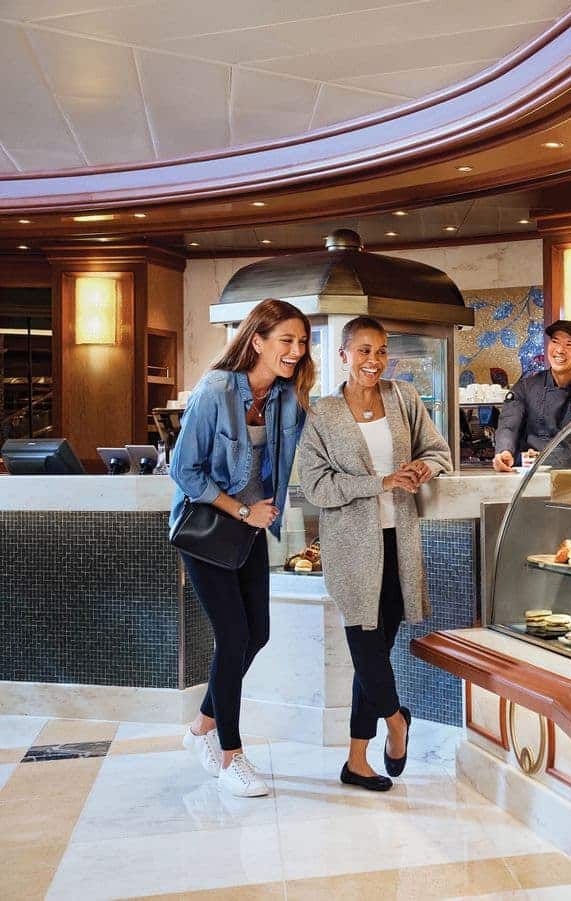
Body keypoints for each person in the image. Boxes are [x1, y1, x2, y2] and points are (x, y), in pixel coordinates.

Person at [296, 316, 453, 792]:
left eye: (381, 351)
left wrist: (422, 467)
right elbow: (315, 486)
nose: (373, 361)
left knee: (378, 649)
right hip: (350, 548)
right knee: (365, 645)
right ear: (342, 356)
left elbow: (439, 450)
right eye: (363, 351)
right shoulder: (321, 413)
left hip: (398, 541)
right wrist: (378, 482)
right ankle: (397, 719)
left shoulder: (403, 398)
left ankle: (357, 761)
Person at [171, 298, 313, 798]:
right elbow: (183, 472)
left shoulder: (285, 396)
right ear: (257, 340)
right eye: (285, 341)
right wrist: (242, 509)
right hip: (210, 528)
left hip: (253, 529)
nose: (295, 351)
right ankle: (230, 754)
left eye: (301, 341)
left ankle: (200, 728)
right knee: (233, 637)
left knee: (258, 635)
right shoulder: (215, 391)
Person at [492, 320, 571, 471]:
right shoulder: (525, 387)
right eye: (555, 341)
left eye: (569, 344)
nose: (560, 350)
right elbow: (508, 425)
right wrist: (504, 451)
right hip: (529, 474)